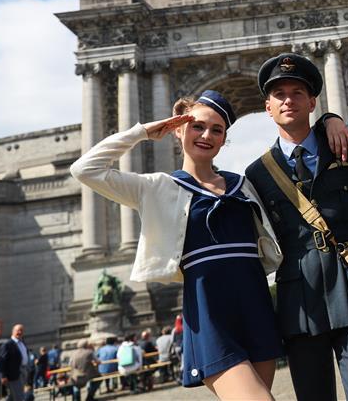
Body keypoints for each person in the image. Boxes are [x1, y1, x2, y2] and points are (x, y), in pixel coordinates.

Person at [70, 90, 308, 400]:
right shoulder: (156, 187)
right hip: (210, 315)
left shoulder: (243, 183)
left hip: (257, 308)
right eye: (197, 126)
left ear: (224, 140)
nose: (206, 135)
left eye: (217, 130)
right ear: (179, 129)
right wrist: (141, 132)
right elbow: (84, 169)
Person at [245, 53, 348, 401]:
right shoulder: (256, 174)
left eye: (296, 92)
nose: (288, 100)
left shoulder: (345, 149)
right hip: (299, 307)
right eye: (279, 95)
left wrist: (334, 120)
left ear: (312, 102)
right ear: (268, 106)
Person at [0, 323, 29, 401]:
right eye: (18, 330)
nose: (20, 332)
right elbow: (1, 361)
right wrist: (2, 375)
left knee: (13, 396)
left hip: (23, 371)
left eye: (21, 330)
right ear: (13, 331)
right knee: (19, 396)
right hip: (13, 374)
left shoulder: (22, 343)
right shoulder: (7, 344)